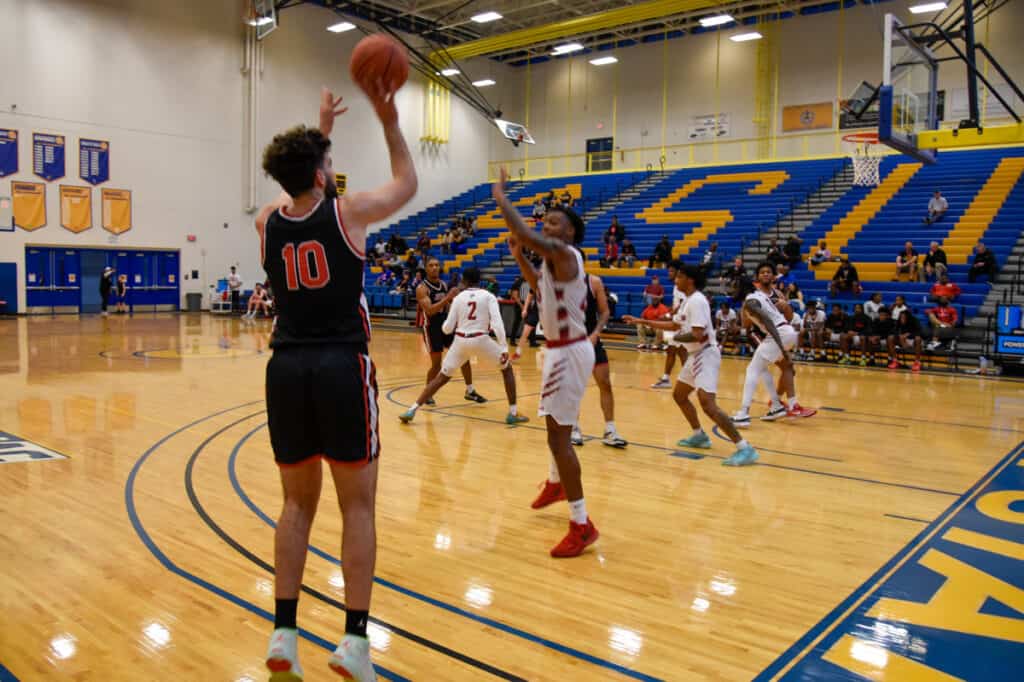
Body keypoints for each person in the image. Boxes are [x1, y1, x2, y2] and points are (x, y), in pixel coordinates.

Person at [257, 83, 415, 680]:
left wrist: (319, 133)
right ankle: (353, 641)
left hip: (286, 368)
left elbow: (294, 188)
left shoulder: (266, 222)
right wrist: (389, 120)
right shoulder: (348, 213)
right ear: (323, 174)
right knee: (358, 507)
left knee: (296, 505)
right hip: (341, 366)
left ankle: (284, 632)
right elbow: (407, 184)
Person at [494, 167, 599, 558]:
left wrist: (501, 196)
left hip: (568, 351)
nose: (546, 225)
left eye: (554, 222)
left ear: (569, 232)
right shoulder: (555, 263)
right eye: (546, 221)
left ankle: (582, 525)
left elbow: (525, 231)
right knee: (554, 431)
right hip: (561, 350)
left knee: (560, 438)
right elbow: (538, 286)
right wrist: (519, 257)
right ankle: (556, 483)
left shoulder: (566, 254)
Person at [625, 265, 760, 466]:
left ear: (690, 280)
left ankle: (745, 448)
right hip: (695, 355)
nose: (675, 280)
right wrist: (641, 321)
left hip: (705, 354)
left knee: (708, 405)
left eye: (679, 276)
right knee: (679, 395)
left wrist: (675, 338)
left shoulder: (697, 301)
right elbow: (674, 325)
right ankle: (699, 435)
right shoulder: (687, 301)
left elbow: (697, 334)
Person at [400, 267, 527, 425]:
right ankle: (513, 413)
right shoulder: (488, 296)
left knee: (441, 377)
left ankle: (412, 409)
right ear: (479, 280)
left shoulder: (458, 298)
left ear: (464, 281)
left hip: (460, 340)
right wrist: (503, 348)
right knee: (506, 369)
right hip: (481, 339)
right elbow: (497, 324)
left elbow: (447, 328)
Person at [731, 263, 796, 428]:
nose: (732, 289)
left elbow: (768, 322)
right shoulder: (757, 297)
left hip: (778, 333)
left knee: (752, 370)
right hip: (784, 332)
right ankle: (776, 406)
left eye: (734, 286)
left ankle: (743, 414)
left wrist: (782, 349)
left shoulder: (751, 301)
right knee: (761, 369)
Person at [413, 257, 482, 405]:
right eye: (431, 265)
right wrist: (448, 298)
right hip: (431, 327)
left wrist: (454, 309)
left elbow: (448, 306)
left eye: (437, 265)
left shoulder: (443, 284)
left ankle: (470, 391)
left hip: (446, 324)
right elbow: (430, 310)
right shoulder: (421, 288)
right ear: (426, 268)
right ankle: (428, 394)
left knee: (464, 357)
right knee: (437, 364)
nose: (434, 268)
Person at [571, 274, 627, 448]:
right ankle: (573, 427)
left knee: (605, 383)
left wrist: (596, 333)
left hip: (591, 340)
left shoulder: (593, 282)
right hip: (569, 342)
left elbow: (605, 312)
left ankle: (610, 430)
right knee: (573, 387)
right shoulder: (559, 282)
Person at [652, 261, 687, 388]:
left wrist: (668, 315)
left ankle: (689, 380)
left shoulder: (681, 286)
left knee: (681, 352)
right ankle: (667, 378)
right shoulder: (676, 286)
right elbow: (676, 305)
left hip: (682, 324)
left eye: (671, 271)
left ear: (678, 272)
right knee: (672, 350)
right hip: (678, 322)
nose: (669, 273)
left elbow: (682, 305)